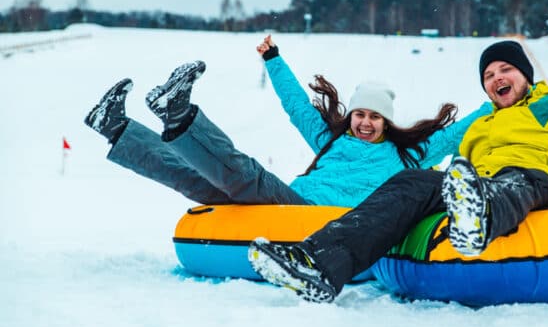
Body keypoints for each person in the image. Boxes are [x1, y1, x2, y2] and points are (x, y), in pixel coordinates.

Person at [248, 40, 548, 303]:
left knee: (514, 181)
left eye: (506, 70)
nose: (498, 78)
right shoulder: (482, 127)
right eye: (489, 75)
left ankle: (479, 219)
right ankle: (317, 263)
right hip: (480, 181)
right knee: (410, 181)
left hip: (539, 179)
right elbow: (455, 175)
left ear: (525, 73)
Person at [83, 36, 491, 207]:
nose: (366, 122)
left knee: (246, 174)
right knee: (196, 178)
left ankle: (178, 113)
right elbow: (297, 106)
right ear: (351, 116)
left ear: (386, 122)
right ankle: (116, 127)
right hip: (289, 203)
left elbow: (460, 131)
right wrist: (274, 60)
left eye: (374, 117)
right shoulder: (331, 141)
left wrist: (499, 101)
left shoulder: (407, 156)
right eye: (360, 114)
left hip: (312, 216)